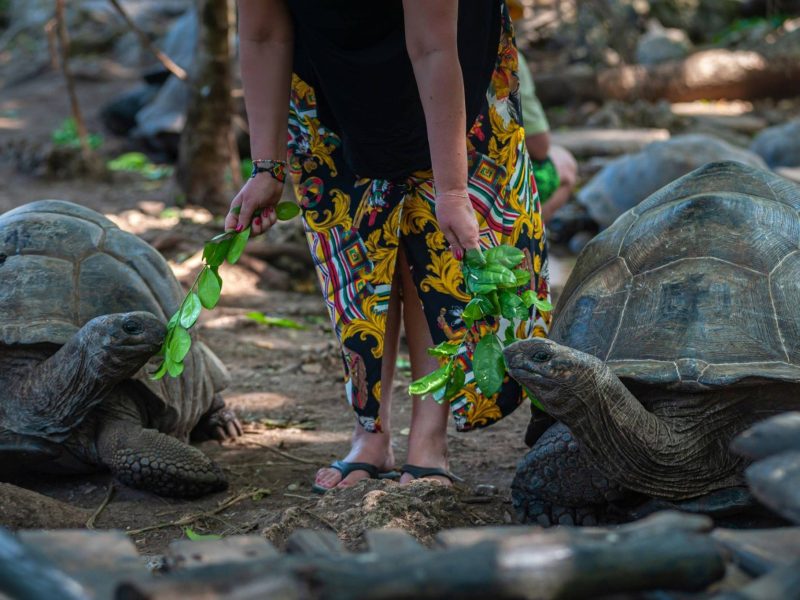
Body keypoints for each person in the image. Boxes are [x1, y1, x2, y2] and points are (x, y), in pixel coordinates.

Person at [227, 0, 550, 492]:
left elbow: (433, 47)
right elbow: (263, 34)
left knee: (434, 241)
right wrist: (266, 168)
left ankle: (429, 440)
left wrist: (453, 191)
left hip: (449, 57)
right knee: (355, 238)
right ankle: (370, 435)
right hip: (328, 69)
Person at [516, 52, 578, 224]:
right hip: (496, 183)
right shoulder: (506, 53)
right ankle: (527, 236)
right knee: (566, 162)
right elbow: (540, 146)